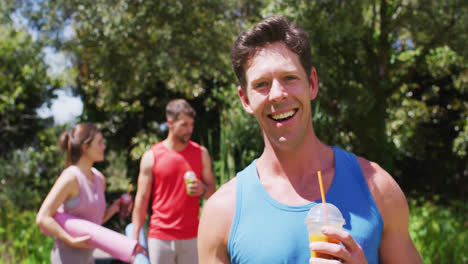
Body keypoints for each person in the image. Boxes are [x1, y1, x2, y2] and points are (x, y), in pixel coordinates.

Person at [198, 15, 423, 264]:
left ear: (312, 83)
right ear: (245, 100)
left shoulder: (377, 188)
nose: (277, 94)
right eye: (262, 84)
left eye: (289, 78)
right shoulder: (222, 212)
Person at [132, 98, 216, 264]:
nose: (190, 129)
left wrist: (203, 190)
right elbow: (141, 200)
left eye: (191, 125)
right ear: (170, 123)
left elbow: (212, 192)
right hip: (159, 237)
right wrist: (135, 237)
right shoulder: (151, 156)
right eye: (184, 125)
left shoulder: (201, 153)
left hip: (192, 236)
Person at [36, 123, 130, 264]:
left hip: (88, 258)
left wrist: (114, 208)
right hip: (66, 256)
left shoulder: (100, 179)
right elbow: (43, 217)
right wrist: (69, 239)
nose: (104, 147)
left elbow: (93, 221)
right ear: (85, 148)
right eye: (99, 143)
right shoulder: (71, 178)